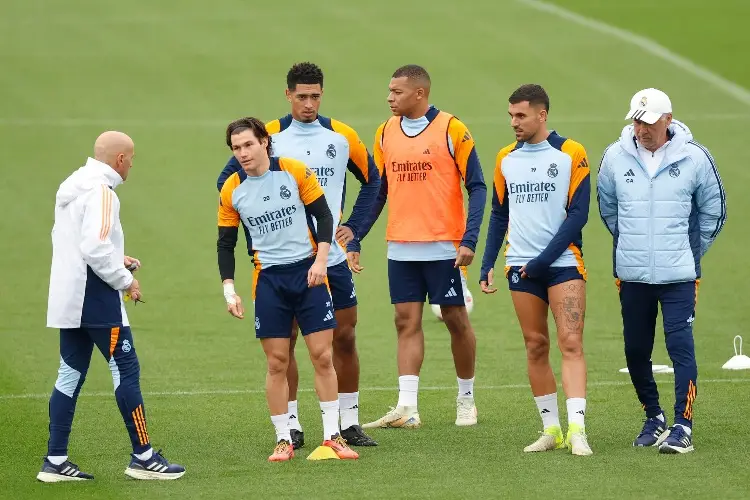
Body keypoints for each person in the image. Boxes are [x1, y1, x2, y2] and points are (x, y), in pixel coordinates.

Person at [217, 62, 380, 448]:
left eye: (315, 96)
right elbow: (229, 184)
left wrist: (354, 228)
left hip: (329, 257)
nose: (309, 103)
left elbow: (374, 180)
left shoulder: (342, 136)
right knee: (284, 345)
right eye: (302, 96)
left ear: (322, 95)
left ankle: (349, 421)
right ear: (288, 95)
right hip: (283, 263)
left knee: (344, 335)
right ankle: (291, 426)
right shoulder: (267, 135)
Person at [40, 131, 185, 482]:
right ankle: (144, 457)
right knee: (126, 369)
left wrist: (117, 260)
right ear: (120, 159)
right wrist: (124, 279)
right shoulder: (103, 193)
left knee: (70, 374)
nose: (132, 164)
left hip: (69, 296)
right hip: (97, 297)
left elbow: (75, 242)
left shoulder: (73, 184)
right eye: (131, 159)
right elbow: (93, 246)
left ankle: (55, 460)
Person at [357, 64, 487, 429]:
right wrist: (359, 234)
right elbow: (379, 190)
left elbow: (477, 185)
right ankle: (408, 408)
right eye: (389, 90)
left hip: (444, 247)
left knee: (455, 319)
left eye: (396, 92)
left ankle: (466, 399)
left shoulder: (451, 128)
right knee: (405, 321)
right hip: (400, 246)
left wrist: (469, 238)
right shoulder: (384, 132)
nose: (389, 97)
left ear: (420, 93)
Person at [597, 88, 727, 454]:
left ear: (668, 120)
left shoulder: (695, 158)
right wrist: (634, 245)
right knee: (636, 350)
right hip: (632, 274)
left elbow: (713, 212)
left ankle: (682, 425)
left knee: (680, 348)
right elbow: (609, 211)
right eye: (637, 121)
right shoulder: (614, 157)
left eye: (649, 122)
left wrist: (686, 250)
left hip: (680, 276)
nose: (641, 129)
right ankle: (653, 417)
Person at [480, 84, 593, 456]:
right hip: (520, 267)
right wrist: (487, 263)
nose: (514, 122)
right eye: (511, 115)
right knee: (535, 345)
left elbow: (579, 214)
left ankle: (578, 428)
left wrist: (544, 259)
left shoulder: (570, 153)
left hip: (562, 265)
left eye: (521, 116)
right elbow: (499, 213)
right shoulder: (505, 158)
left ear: (542, 115)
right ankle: (551, 429)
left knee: (571, 343)